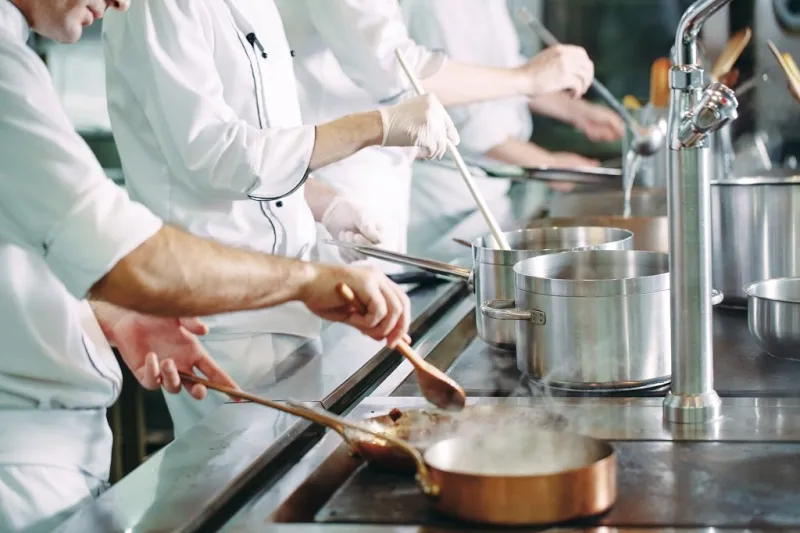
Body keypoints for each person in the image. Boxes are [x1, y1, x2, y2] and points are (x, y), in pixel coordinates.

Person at [0, 1, 412, 531]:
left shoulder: (15, 57)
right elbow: (139, 250)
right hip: (22, 453)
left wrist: (111, 312)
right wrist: (305, 283)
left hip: (58, 439)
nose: (122, 0)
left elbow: (25, 238)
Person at [100, 0, 461, 434]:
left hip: (288, 298)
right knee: (248, 483)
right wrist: (376, 126)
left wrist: (325, 205)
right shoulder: (159, 7)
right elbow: (216, 156)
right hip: (222, 315)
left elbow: (264, 146)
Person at [276, 0, 595, 268]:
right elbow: (393, 68)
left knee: (377, 311)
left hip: (375, 176)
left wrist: (567, 104)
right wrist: (526, 80)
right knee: (353, 320)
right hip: (340, 178)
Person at [402, 0, 625, 262]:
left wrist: (576, 111)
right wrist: (547, 164)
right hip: (445, 200)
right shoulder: (437, 7)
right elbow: (467, 120)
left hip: (488, 190)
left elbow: (509, 72)